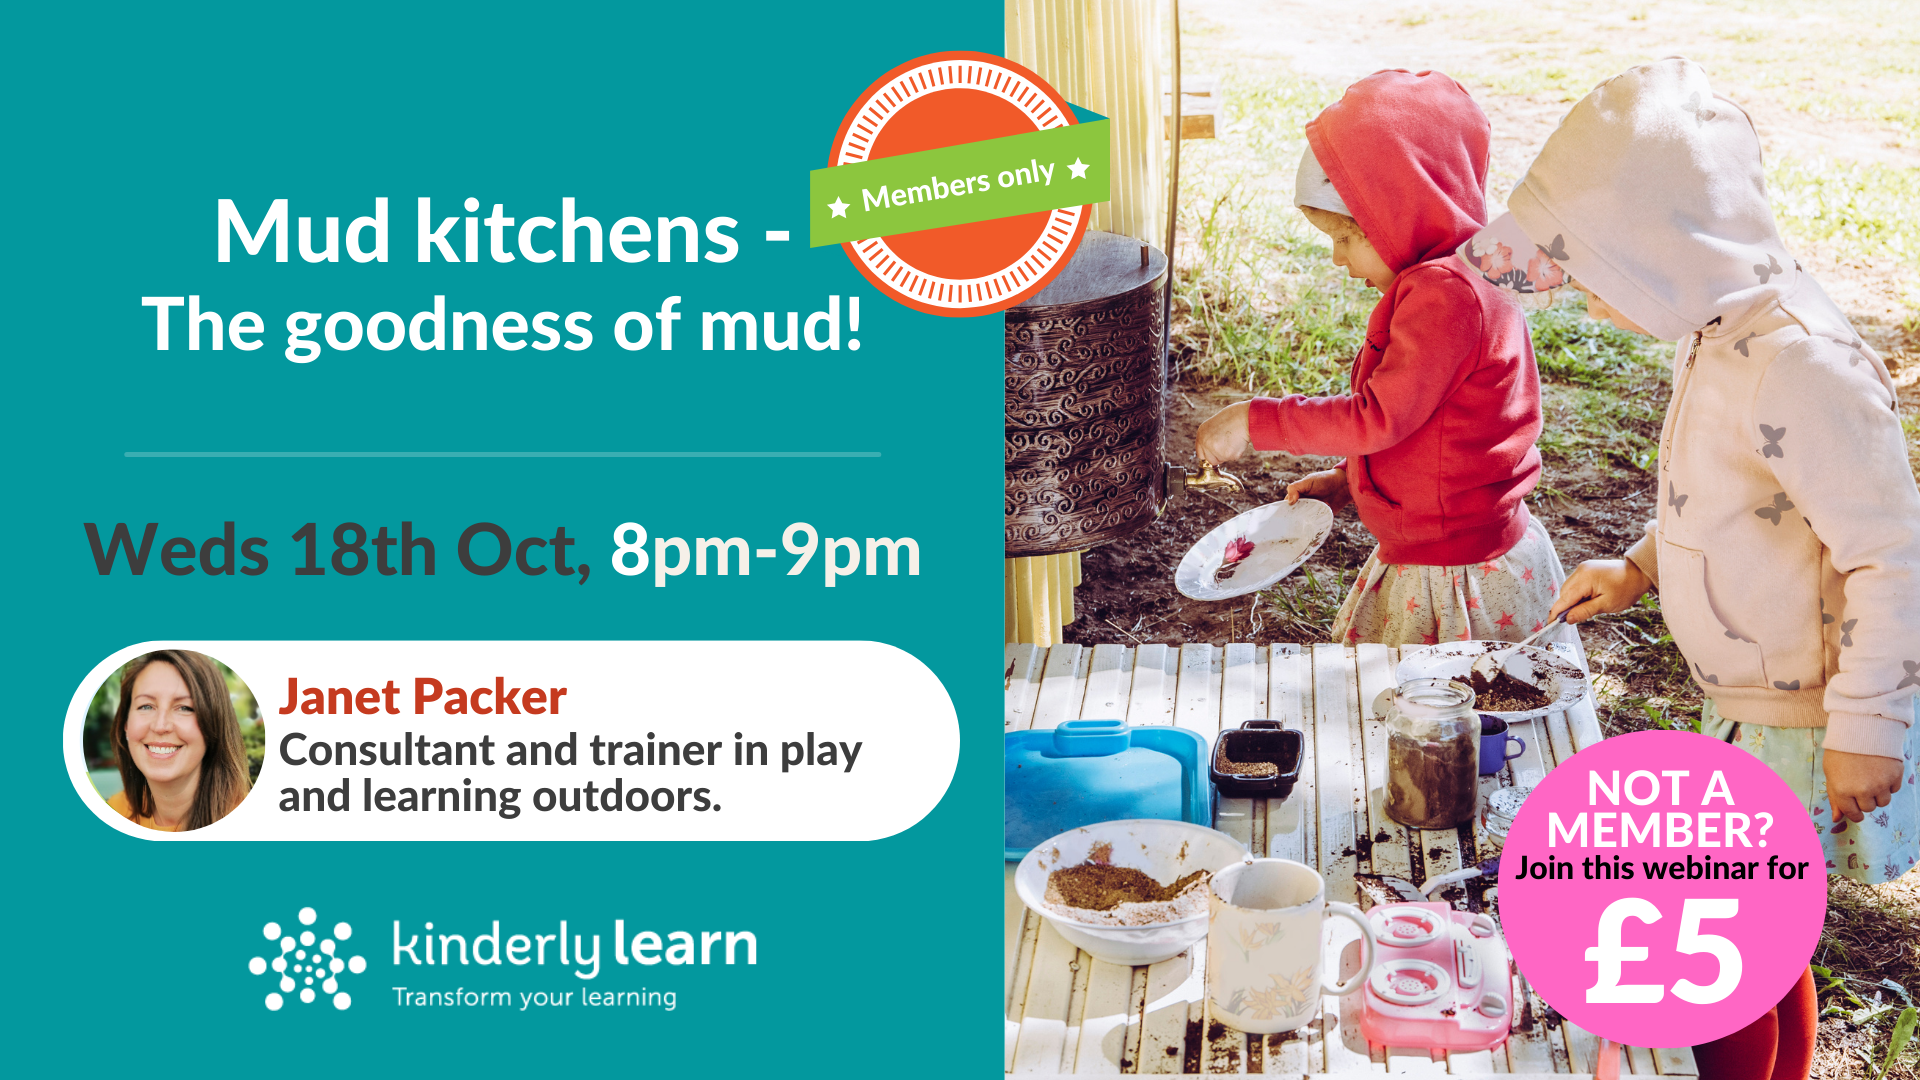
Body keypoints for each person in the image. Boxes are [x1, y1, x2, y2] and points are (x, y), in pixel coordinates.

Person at [1479, 58, 1919, 1080]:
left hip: (1807, 713)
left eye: (1590, 270)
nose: (1577, 294)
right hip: (1747, 695)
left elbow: (1891, 553)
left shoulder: (1804, 364)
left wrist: (1867, 727)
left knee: (1729, 932)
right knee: (1768, 930)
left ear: (1667, 252)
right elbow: (1731, 499)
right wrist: (1637, 568)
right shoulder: (1717, 331)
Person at [1195, 68, 1565, 649]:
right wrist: (1352, 480)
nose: (1339, 260)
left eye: (1347, 239)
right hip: (1451, 539)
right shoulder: (1465, 269)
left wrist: (1254, 418)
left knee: (1434, 713)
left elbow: (1378, 416)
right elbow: (1441, 425)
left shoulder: (1445, 297)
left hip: (1452, 570)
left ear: (1402, 212)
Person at [105, 650, 252, 831]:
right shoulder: (116, 811)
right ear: (125, 724)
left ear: (214, 723)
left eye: (184, 708)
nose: (160, 726)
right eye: (146, 706)